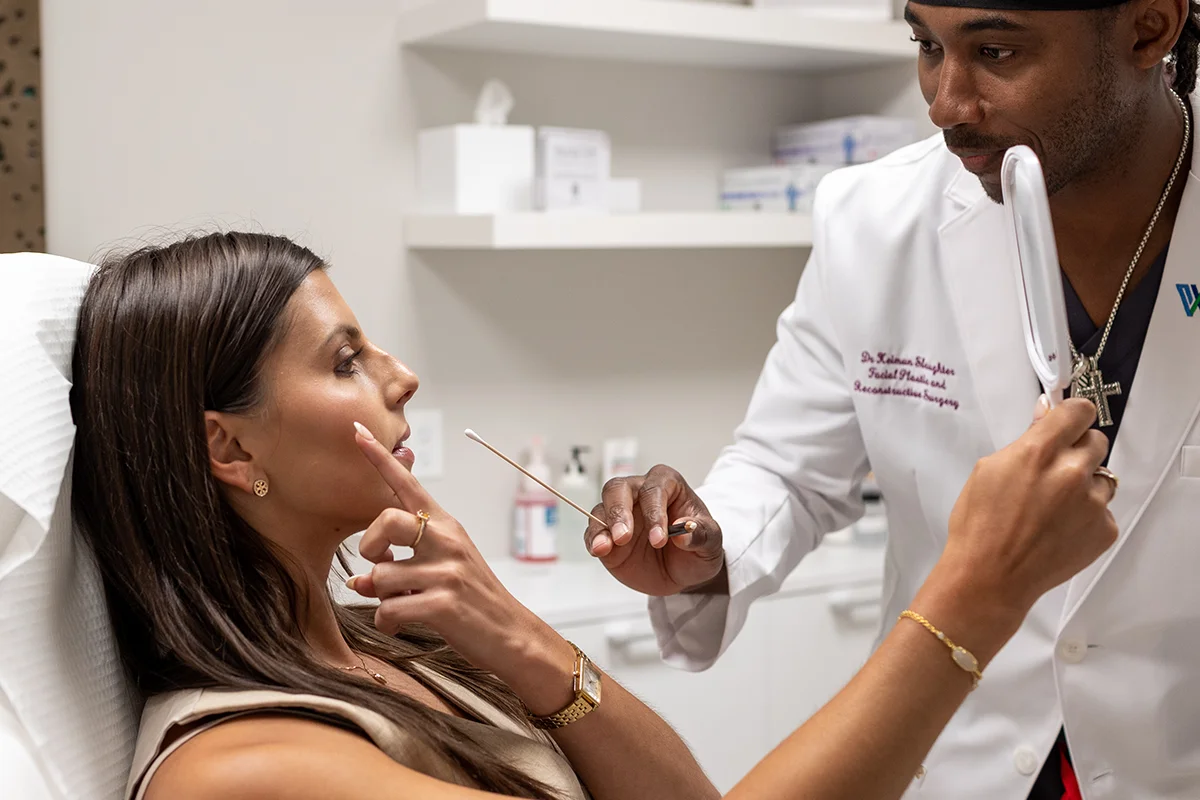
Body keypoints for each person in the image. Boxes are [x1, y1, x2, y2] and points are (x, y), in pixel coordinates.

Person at [69, 231, 1114, 800]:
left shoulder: (385, 644)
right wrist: (977, 591)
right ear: (229, 447)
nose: (404, 374)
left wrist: (521, 639)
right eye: (346, 359)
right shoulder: (245, 767)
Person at [584, 1, 1200, 797]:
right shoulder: (873, 219)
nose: (946, 102)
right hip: (959, 760)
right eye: (927, 46)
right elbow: (787, 469)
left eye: (998, 51)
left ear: (1148, 29)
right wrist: (711, 539)